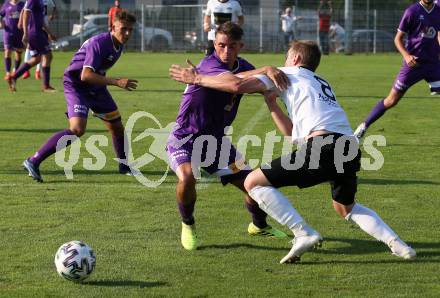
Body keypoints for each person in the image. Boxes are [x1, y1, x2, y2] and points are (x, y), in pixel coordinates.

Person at [170, 40, 416, 263]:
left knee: (253, 182)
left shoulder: (285, 73)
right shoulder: (320, 82)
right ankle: (400, 246)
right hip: (348, 147)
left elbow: (236, 84)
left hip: (323, 147)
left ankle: (303, 233)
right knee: (346, 208)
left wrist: (197, 78)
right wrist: (272, 104)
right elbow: (291, 135)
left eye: (287, 57)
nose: (283, 63)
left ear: (296, 59)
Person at [168, 22, 290, 251]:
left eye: (231, 46)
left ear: (240, 46)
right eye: (221, 45)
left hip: (216, 144)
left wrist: (269, 79)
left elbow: (259, 83)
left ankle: (259, 225)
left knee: (255, 185)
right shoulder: (209, 64)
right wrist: (265, 69)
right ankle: (188, 224)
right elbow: (235, 84)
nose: (225, 51)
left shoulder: (243, 65)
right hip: (185, 137)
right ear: (214, 44)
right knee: (187, 177)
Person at [23, 10, 138, 183]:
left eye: (130, 30)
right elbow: (85, 75)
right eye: (124, 29)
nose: (127, 33)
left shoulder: (118, 44)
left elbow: (95, 73)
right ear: (113, 27)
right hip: (76, 85)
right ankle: (33, 161)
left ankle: (124, 166)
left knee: (116, 126)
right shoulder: (99, 43)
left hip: (95, 87)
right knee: (77, 129)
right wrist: (116, 82)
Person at [354, 0, 440, 138]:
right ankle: (363, 126)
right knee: (391, 100)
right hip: (413, 64)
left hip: (433, 64)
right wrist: (406, 56)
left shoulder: (438, 9)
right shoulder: (412, 11)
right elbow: (397, 39)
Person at [8, 0, 57, 92]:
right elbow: (26, 13)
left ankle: (13, 77)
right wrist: (25, 33)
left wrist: (49, 33)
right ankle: (46, 86)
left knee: (37, 59)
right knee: (48, 56)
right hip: (35, 33)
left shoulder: (40, 1)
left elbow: (41, 20)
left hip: (37, 32)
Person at [22, 0, 56, 80]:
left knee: (42, 56)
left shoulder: (47, 1)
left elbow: (53, 7)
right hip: (34, 29)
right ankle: (23, 73)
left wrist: (52, 15)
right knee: (44, 55)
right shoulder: (32, 1)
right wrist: (25, 31)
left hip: (42, 27)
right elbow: (25, 12)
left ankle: (37, 72)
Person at [0, 0, 25, 91]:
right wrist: (1, 23)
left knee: (18, 54)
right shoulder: (6, 4)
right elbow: (1, 14)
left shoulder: (22, 4)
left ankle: (14, 73)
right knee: (7, 52)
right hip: (8, 33)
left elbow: (28, 16)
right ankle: (7, 73)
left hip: (19, 34)